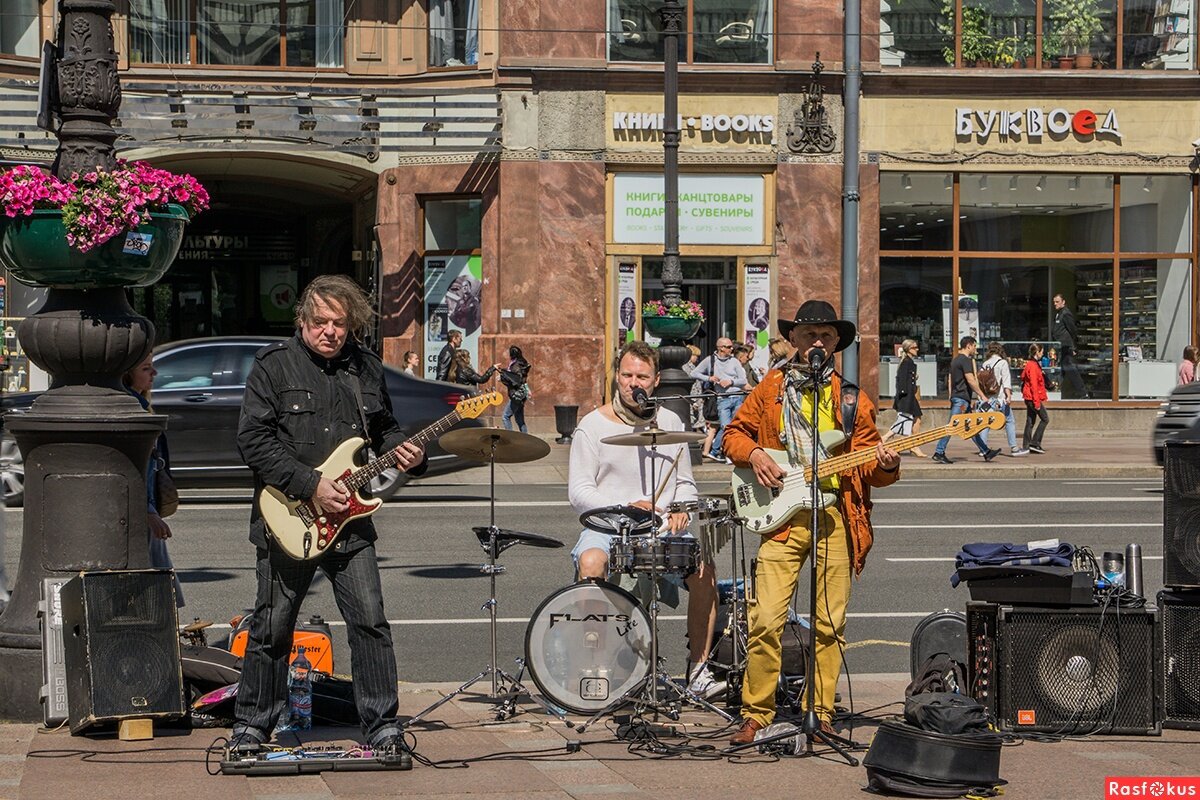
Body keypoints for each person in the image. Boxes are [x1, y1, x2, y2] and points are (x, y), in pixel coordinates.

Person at [229, 274, 427, 758]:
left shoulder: (365, 368)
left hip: (351, 526)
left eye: (340, 323)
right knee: (271, 628)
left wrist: (402, 449)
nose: (331, 331)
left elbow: (383, 428)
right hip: (289, 521)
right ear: (302, 320)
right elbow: (253, 441)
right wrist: (311, 484)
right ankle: (254, 724)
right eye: (321, 321)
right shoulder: (273, 367)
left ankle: (380, 724)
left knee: (371, 625)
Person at [722, 300, 901, 744]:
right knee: (764, 619)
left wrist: (888, 464)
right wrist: (756, 454)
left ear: (836, 342)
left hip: (835, 516)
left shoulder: (852, 400)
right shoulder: (771, 388)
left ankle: (818, 712)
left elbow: (872, 471)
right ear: (794, 342)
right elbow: (733, 435)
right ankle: (757, 713)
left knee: (829, 624)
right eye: (807, 335)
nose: (816, 342)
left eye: (824, 335)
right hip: (781, 518)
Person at [568, 341, 723, 699]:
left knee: (704, 572)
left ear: (655, 381)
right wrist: (626, 506)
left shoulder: (670, 422)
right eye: (626, 375)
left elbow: (684, 481)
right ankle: (595, 669)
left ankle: (698, 670)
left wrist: (682, 507)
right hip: (608, 527)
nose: (633, 382)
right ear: (616, 377)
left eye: (641, 376)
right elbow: (579, 492)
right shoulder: (592, 426)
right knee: (592, 563)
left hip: (662, 527)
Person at [123, 353, 185, 607]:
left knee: (159, 577)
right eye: (146, 368)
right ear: (128, 375)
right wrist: (149, 512)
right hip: (141, 511)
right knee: (158, 581)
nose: (154, 373)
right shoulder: (133, 406)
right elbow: (142, 467)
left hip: (141, 509)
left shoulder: (140, 404)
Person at [931, 336, 1001, 464]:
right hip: (961, 400)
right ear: (968, 345)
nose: (976, 349)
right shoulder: (965, 361)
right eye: (974, 346)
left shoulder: (955, 360)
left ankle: (986, 451)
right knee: (952, 426)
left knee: (971, 427)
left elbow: (950, 380)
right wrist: (982, 396)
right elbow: (971, 380)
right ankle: (939, 452)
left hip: (959, 398)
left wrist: (951, 396)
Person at [692, 337, 749, 463]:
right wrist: (709, 378)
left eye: (731, 346)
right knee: (725, 426)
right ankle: (719, 451)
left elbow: (743, 380)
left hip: (737, 396)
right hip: (722, 398)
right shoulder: (710, 360)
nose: (731, 349)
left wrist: (731, 381)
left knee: (734, 427)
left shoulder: (734, 361)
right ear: (721, 348)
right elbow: (694, 373)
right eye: (728, 347)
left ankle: (724, 452)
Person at [979, 342, 1028, 457]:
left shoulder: (985, 363)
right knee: (1009, 421)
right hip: (999, 399)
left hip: (987, 399)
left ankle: (982, 448)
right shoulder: (1002, 363)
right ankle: (1014, 448)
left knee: (986, 423)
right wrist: (1009, 396)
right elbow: (1006, 382)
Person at [883, 338, 928, 458]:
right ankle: (889, 438)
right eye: (914, 347)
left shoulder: (909, 362)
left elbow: (906, 379)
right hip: (907, 396)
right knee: (905, 419)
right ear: (908, 349)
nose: (917, 349)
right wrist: (904, 396)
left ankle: (913, 444)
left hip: (909, 396)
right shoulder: (907, 362)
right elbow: (901, 381)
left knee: (916, 419)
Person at [1052, 294, 1088, 398]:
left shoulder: (1066, 313)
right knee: (1061, 369)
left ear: (1063, 302)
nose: (1055, 304)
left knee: (1069, 368)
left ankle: (1082, 392)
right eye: (1054, 302)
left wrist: (1073, 346)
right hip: (1059, 346)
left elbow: (1073, 330)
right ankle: (1055, 390)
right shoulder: (1058, 314)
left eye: (1057, 302)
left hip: (1066, 346)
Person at [1021, 343, 1050, 454]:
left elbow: (1024, 377)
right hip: (1032, 397)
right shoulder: (1033, 365)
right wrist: (1037, 402)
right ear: (1037, 352)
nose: (1042, 354)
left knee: (1030, 421)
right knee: (1045, 419)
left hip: (1029, 397)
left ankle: (1026, 444)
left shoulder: (1031, 364)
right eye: (1041, 352)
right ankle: (1035, 443)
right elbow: (1033, 384)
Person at [500, 345, 532, 433]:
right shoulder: (522, 364)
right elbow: (523, 379)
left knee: (505, 417)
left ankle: (511, 438)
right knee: (519, 419)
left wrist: (503, 377)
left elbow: (516, 380)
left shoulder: (515, 366)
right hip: (522, 394)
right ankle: (525, 439)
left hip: (516, 394)